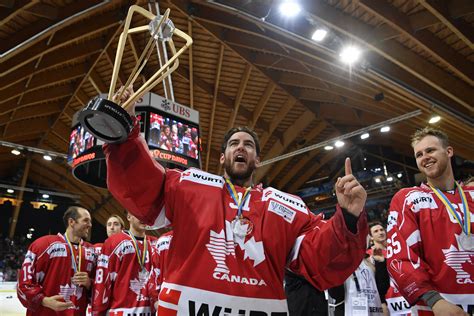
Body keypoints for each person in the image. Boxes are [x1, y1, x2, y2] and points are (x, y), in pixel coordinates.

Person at [103, 87, 368, 314]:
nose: (241, 147)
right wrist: (124, 132)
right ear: (222, 157)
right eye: (234, 143)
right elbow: (141, 187)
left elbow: (319, 259)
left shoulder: (288, 206)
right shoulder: (187, 185)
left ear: (258, 160)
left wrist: (347, 217)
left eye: (248, 145)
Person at [387, 127, 474, 315]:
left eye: (430, 150)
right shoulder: (408, 199)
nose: (424, 157)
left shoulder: (472, 196)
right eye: (419, 154)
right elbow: (400, 258)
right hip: (438, 308)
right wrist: (435, 301)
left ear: (449, 151)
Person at [17, 206, 95, 315]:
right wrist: (44, 301)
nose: (90, 225)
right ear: (71, 222)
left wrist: (89, 283)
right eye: (86, 220)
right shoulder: (43, 245)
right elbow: (24, 283)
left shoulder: (92, 251)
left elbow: (101, 286)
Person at [92, 213, 154, 315]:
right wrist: (98, 311)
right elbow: (103, 280)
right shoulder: (113, 242)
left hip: (149, 311)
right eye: (138, 213)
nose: (144, 216)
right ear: (129, 217)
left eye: (146, 212)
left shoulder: (155, 243)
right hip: (121, 311)